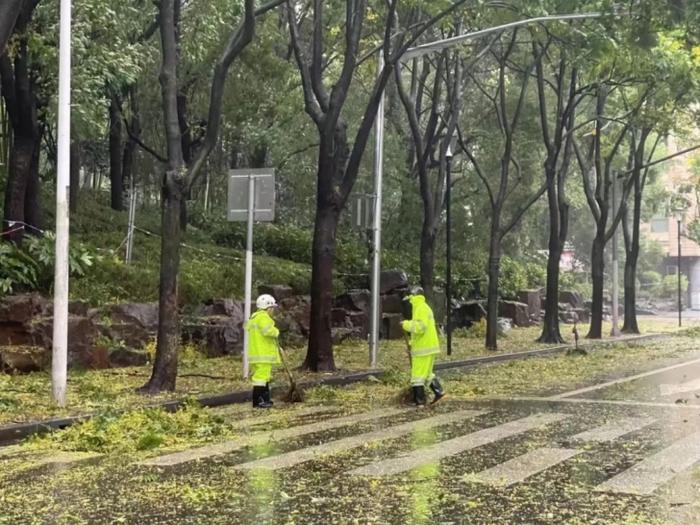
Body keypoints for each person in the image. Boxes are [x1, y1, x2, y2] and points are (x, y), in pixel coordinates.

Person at [401, 286, 445, 407]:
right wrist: (411, 343)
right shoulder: (423, 307)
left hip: (423, 349)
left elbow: (420, 327)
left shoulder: (420, 308)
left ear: (413, 298)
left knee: (417, 375)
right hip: (427, 346)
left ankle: (419, 401)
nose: (408, 302)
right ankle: (438, 391)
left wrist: (406, 324)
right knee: (427, 373)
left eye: (409, 298)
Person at [245, 294, 280, 408]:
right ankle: (258, 401)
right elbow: (268, 331)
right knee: (261, 378)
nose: (273, 311)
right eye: (273, 308)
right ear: (268, 307)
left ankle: (265, 399)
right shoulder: (264, 317)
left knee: (263, 377)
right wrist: (276, 331)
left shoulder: (254, 317)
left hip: (255, 354)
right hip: (263, 354)